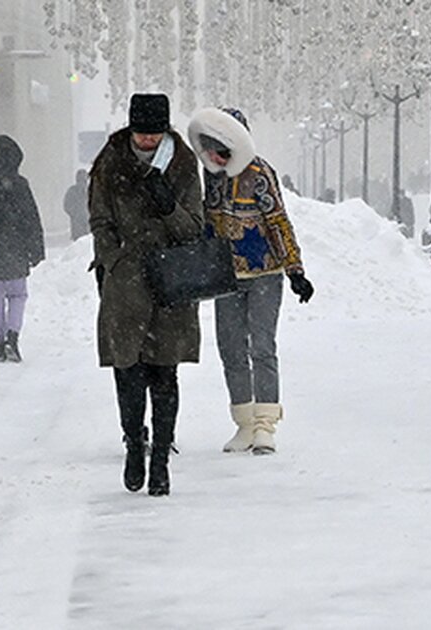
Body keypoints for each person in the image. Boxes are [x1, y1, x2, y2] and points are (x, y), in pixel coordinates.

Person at [89, 93, 204, 497]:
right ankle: (134, 445)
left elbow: (194, 227)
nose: (147, 142)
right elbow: (99, 217)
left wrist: (168, 206)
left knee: (164, 372)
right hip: (125, 283)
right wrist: (113, 257)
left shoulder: (184, 163)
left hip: (169, 281)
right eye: (141, 134)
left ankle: (161, 460)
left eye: (154, 135)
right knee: (128, 371)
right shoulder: (110, 161)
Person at [188, 107, 313, 457]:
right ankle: (243, 420)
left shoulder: (259, 173)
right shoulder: (211, 175)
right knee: (230, 348)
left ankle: (265, 424)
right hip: (225, 275)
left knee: (261, 346)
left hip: (263, 273)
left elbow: (278, 220)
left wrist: (295, 269)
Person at [0, 135, 45, 363]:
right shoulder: (21, 184)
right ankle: (13, 336)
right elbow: (31, 217)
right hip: (16, 249)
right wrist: (36, 248)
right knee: (18, 295)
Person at [62, 169, 90, 241]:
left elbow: (66, 206)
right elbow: (67, 206)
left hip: (83, 224)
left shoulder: (89, 191)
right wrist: (75, 214)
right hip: (79, 224)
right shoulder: (73, 191)